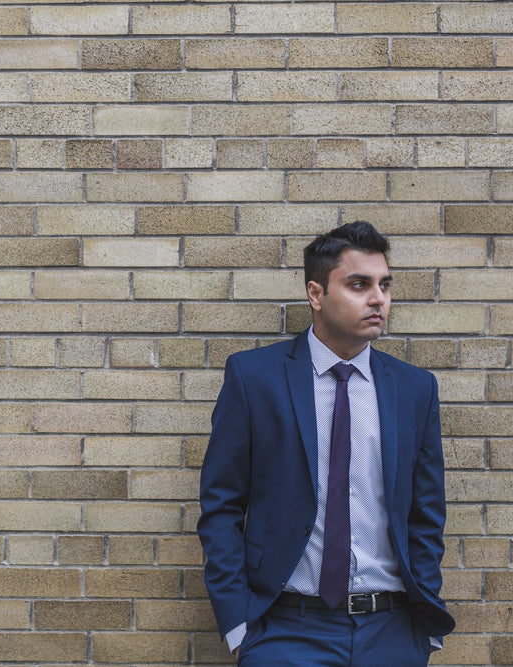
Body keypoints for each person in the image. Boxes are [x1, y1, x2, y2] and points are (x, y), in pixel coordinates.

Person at [197, 221, 454, 666]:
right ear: (316, 294)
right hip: (285, 631)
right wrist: (240, 627)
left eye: (384, 285)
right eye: (359, 284)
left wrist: (422, 634)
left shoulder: (414, 389)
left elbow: (425, 514)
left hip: (391, 632)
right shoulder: (254, 378)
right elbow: (220, 506)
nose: (378, 299)